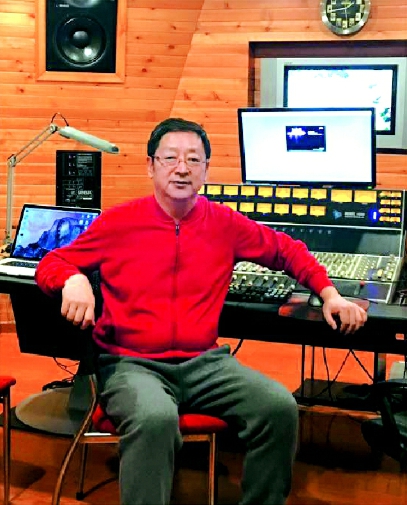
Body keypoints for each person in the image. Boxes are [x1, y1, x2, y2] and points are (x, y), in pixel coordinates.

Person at [35, 117, 367, 505]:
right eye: (170, 157)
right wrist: (72, 279)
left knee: (279, 407)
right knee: (155, 418)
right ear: (151, 165)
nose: (182, 168)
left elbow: (286, 251)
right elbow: (53, 262)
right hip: (131, 364)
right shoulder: (119, 222)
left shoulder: (224, 223)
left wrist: (330, 294)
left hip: (206, 364)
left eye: (193, 159)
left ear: (206, 170)